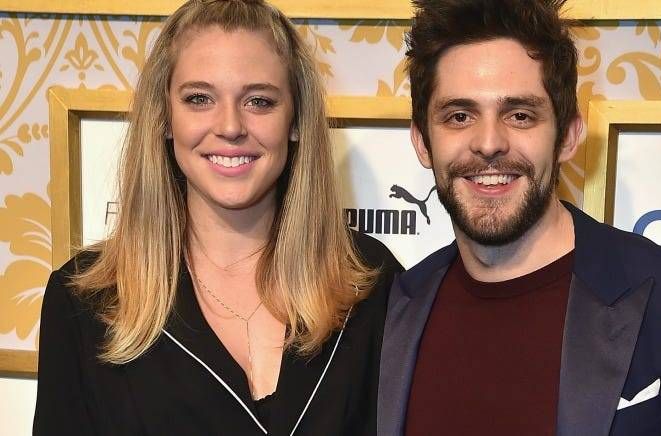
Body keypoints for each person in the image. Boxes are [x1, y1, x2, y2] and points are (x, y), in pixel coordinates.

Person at [378, 0, 661, 435]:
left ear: (568, 135)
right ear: (422, 142)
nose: (489, 142)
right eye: (459, 116)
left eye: (520, 115)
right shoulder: (389, 310)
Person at [33, 1, 401, 435]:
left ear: (296, 120)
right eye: (199, 99)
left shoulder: (370, 284)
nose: (230, 126)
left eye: (259, 101)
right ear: (165, 118)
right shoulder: (84, 303)